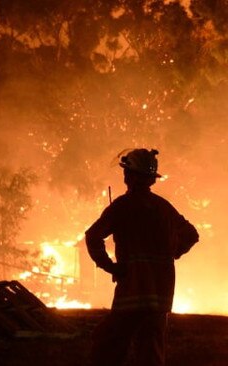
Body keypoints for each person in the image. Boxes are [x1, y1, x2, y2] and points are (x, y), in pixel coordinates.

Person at [85, 148, 199, 366]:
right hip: (160, 295)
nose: (125, 175)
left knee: (107, 346)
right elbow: (191, 234)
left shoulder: (123, 206)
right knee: (151, 353)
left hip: (132, 293)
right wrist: (174, 253)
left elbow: (93, 236)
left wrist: (110, 266)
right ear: (150, 179)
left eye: (127, 171)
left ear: (132, 175)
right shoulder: (164, 208)